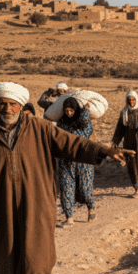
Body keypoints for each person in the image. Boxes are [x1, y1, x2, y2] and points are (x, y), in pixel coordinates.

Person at [0, 82, 133, 274]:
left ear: (21, 105)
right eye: (3, 103)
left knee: (37, 257)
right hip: (1, 209)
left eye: (12, 103)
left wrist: (104, 150)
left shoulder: (41, 128)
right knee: (5, 260)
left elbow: (74, 145)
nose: (7, 107)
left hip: (37, 204)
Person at [55, 97, 96, 227]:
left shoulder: (83, 121)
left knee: (85, 189)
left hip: (84, 161)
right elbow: (57, 136)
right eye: (66, 111)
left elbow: (86, 132)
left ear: (76, 109)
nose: (69, 113)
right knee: (66, 189)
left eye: (71, 110)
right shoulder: (61, 122)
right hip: (66, 162)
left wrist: (85, 113)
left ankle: (91, 208)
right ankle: (69, 218)